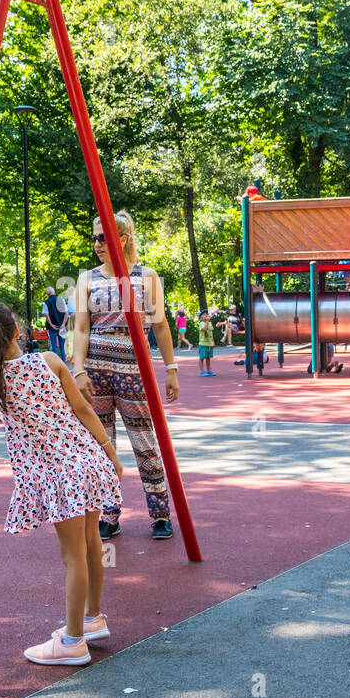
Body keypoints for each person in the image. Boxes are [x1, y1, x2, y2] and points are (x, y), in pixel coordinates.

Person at [0, 238, 123, 666]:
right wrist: (110, 451)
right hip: (87, 459)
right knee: (92, 542)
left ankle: (73, 641)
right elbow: (83, 409)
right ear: (19, 332)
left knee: (72, 555)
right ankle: (93, 618)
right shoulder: (51, 362)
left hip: (57, 473)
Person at [71, 210, 181, 541]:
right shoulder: (87, 278)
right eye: (93, 238)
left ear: (123, 237)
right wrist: (77, 369)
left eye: (103, 237)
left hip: (134, 370)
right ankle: (109, 513)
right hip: (96, 371)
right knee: (102, 442)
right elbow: (80, 327)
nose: (96, 244)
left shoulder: (146, 276)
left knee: (144, 440)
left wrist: (171, 369)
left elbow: (160, 325)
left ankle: (160, 514)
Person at [43, 286, 68, 361]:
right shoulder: (61, 300)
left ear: (47, 294)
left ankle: (56, 363)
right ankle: (63, 363)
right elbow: (66, 313)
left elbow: (47, 315)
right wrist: (63, 324)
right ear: (54, 292)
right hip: (62, 326)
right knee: (62, 346)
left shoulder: (46, 303)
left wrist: (51, 325)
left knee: (54, 346)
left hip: (52, 327)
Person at [197, 308, 216, 376]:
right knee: (202, 358)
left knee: (208, 358)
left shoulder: (210, 323)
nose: (206, 315)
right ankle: (202, 371)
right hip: (203, 344)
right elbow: (205, 329)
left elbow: (211, 333)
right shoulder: (201, 323)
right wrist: (207, 321)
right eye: (203, 315)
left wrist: (213, 342)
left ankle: (208, 370)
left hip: (209, 344)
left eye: (206, 314)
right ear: (200, 318)